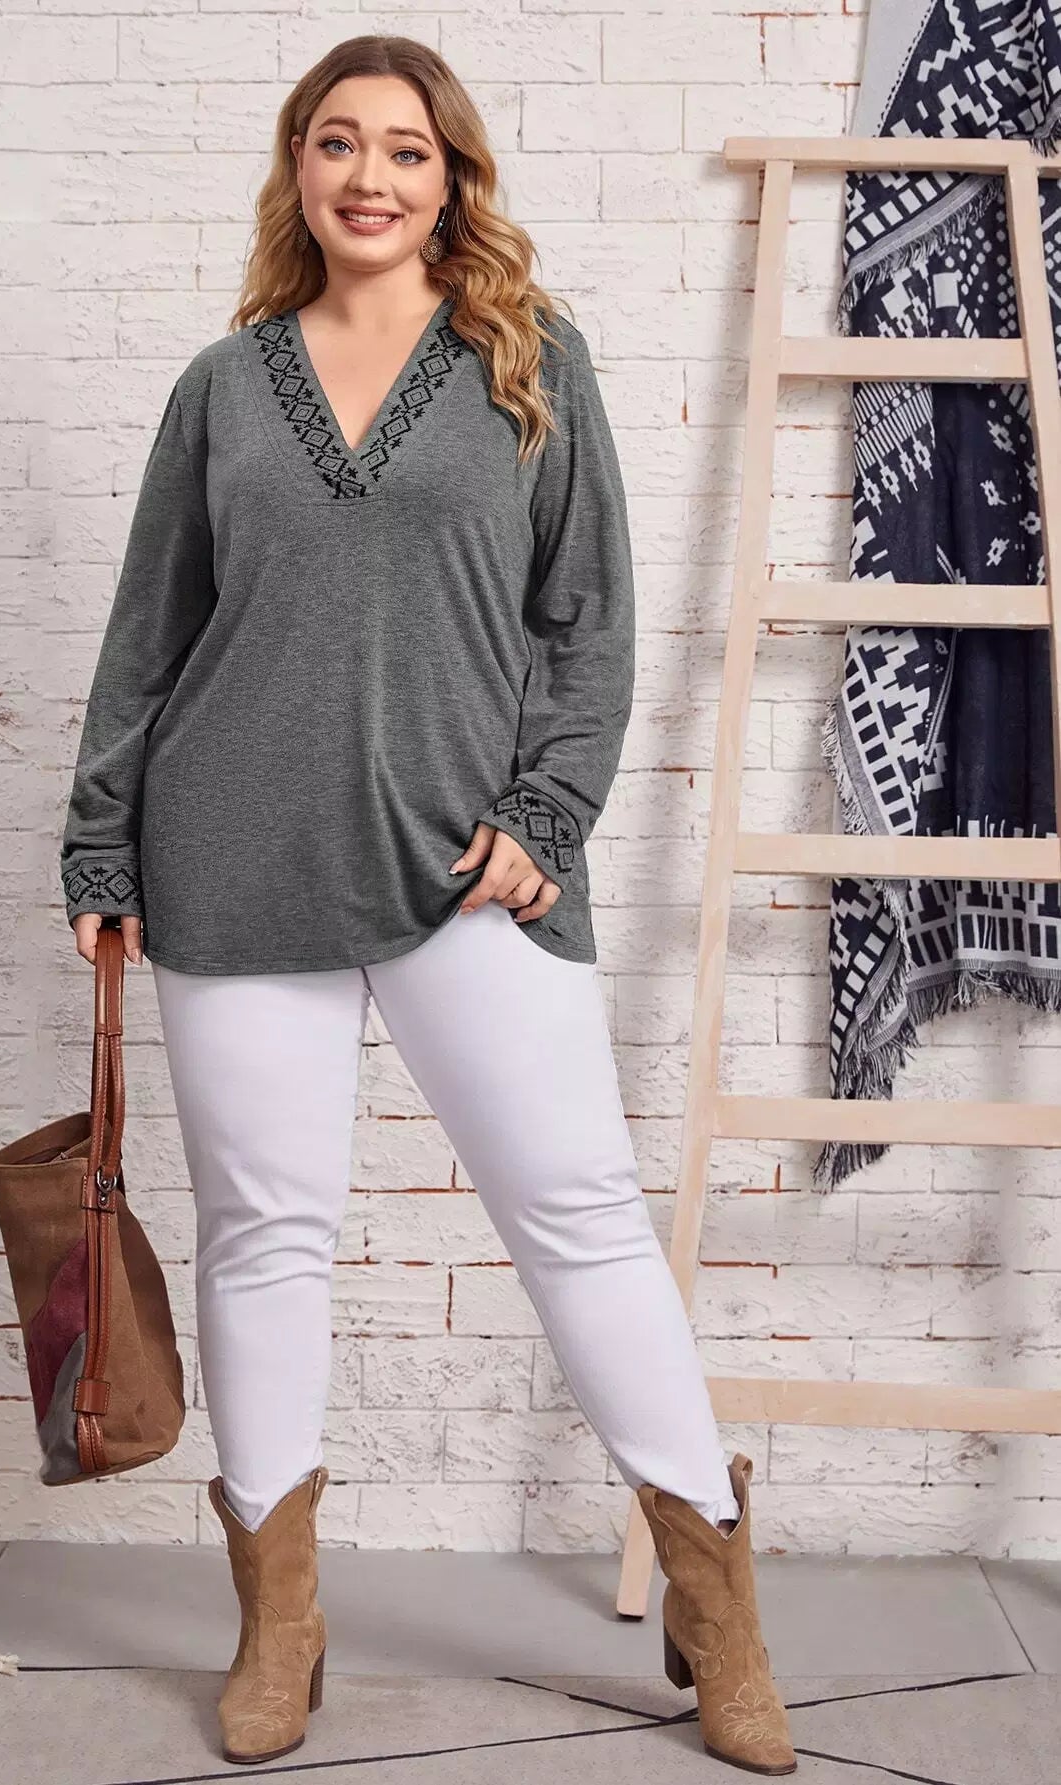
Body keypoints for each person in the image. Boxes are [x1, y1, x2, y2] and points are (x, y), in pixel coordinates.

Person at [59, 34, 796, 1779]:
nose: (371, 177)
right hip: (231, 856)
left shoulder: (529, 358)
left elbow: (590, 621)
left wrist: (551, 809)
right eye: (338, 144)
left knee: (580, 1217)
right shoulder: (221, 387)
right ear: (297, 169)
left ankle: (718, 1602)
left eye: (407, 149)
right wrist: (102, 847)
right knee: (266, 1235)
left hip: (473, 868)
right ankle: (281, 1620)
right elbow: (149, 635)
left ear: (453, 176)